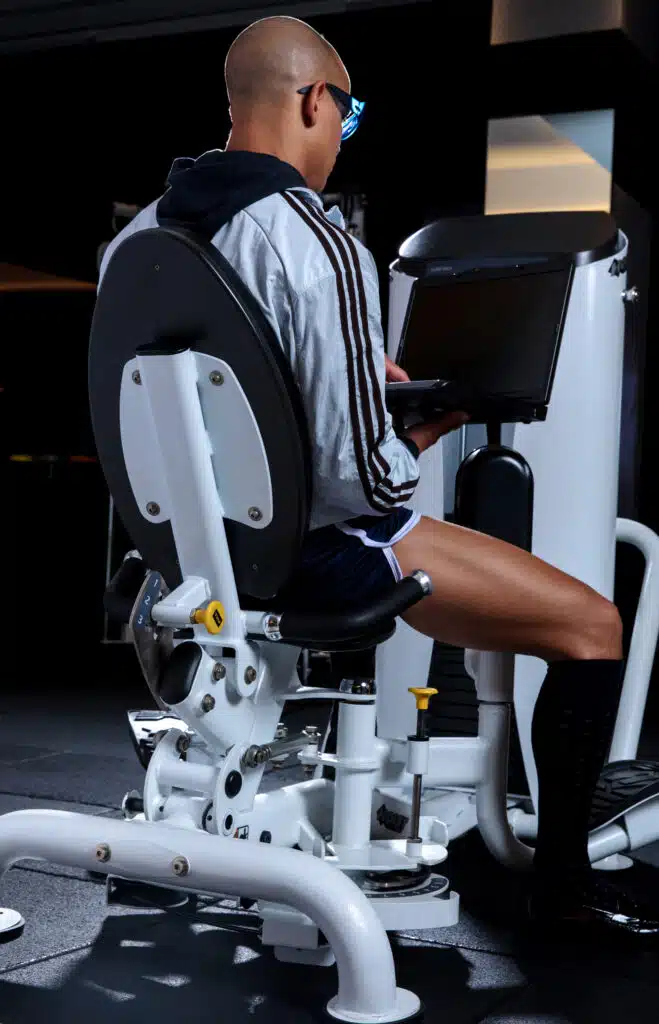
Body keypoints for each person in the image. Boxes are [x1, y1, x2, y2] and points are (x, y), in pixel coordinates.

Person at [98, 15, 658, 938]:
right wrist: (415, 437)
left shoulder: (144, 242)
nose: (338, 137)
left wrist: (352, 388)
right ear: (317, 101)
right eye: (345, 118)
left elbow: (202, 402)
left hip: (192, 556)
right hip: (319, 552)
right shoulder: (313, 239)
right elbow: (364, 485)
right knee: (591, 623)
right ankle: (561, 886)